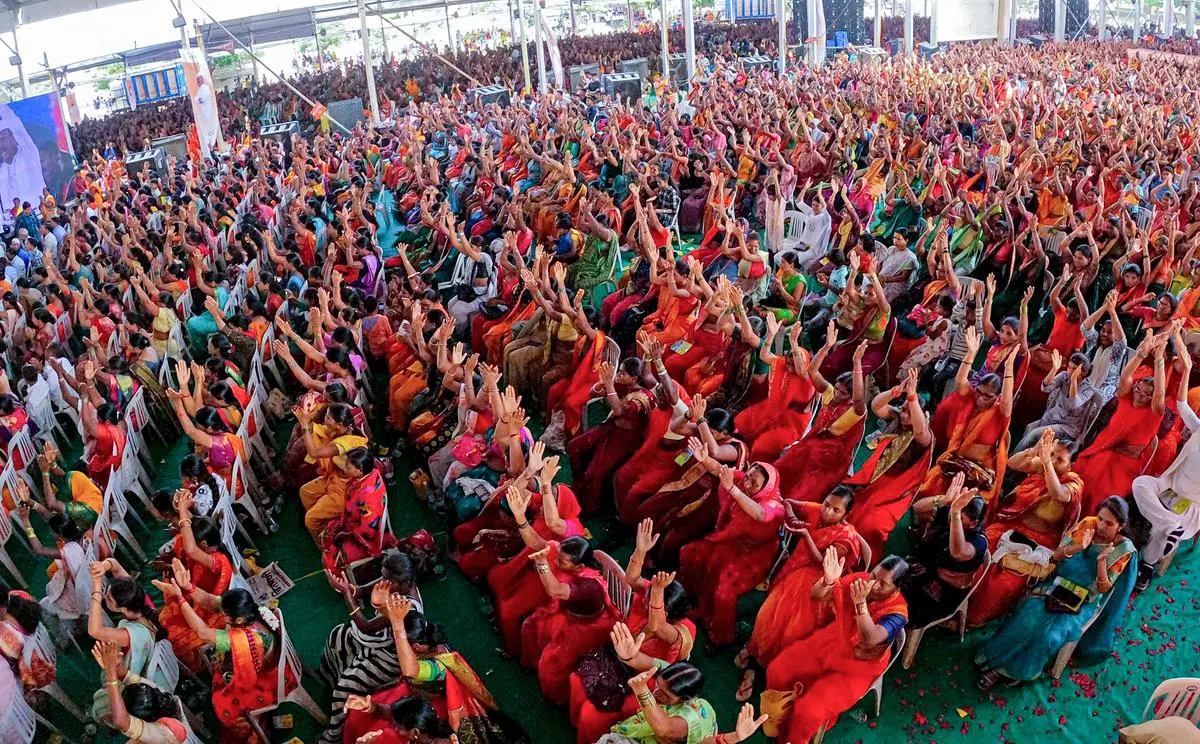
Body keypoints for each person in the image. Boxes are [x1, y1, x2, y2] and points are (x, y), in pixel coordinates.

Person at [975, 497, 1136, 690]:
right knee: (1028, 618)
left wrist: (1101, 562)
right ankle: (993, 659)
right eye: (1100, 518)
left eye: (1109, 523)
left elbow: (1103, 588)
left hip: (1084, 600)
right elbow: (1056, 556)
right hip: (1058, 585)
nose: (1101, 526)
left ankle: (1015, 671)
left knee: (1048, 635)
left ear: (1121, 526)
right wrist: (1078, 547)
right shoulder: (1087, 525)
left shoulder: (1123, 550)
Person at [759, 551, 909, 744]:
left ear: (897, 589)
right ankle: (778, 721)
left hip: (858, 667)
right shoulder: (861, 580)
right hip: (832, 641)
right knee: (778, 670)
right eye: (873, 575)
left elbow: (870, 639)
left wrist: (860, 603)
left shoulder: (897, 613)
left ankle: (792, 738)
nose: (872, 584)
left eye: (883, 584)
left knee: (808, 711)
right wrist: (828, 581)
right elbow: (817, 595)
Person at [151, 580, 291, 744]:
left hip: (268, 680)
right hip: (276, 665)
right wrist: (188, 587)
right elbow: (211, 602)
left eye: (224, 614)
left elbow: (201, 632)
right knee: (217, 666)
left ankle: (252, 730)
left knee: (222, 702)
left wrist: (180, 598)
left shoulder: (239, 639)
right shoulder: (248, 610)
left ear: (238, 621)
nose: (220, 614)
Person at [967, 431, 1083, 627]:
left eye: (1060, 459)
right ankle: (958, 603)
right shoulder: (1043, 466)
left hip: (1041, 543)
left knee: (1005, 582)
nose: (1054, 460)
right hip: (1011, 524)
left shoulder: (1074, 484)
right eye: (1052, 454)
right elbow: (1013, 463)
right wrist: (1034, 450)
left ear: (1071, 465)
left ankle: (974, 619)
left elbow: (1058, 494)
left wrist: (1046, 463)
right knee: (978, 550)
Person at [519, 537, 617, 705]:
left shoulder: (588, 588)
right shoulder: (569, 561)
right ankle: (530, 664)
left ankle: (556, 698)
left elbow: (554, 590)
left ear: (579, 567)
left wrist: (542, 561)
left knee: (552, 667)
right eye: (557, 557)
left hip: (582, 630)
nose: (556, 563)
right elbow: (540, 543)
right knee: (530, 626)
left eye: (561, 562)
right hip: (566, 614)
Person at [904, 474, 989, 627]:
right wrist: (944, 499)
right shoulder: (951, 513)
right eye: (952, 512)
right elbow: (917, 508)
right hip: (919, 570)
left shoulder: (979, 541)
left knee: (894, 607)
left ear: (973, 523)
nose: (951, 518)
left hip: (937, 595)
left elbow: (958, 552)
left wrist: (956, 512)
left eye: (958, 517)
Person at [94, 641, 188, 744]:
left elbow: (121, 720)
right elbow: (127, 677)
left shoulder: (168, 734)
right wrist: (111, 666)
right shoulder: (154, 695)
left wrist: (111, 674)